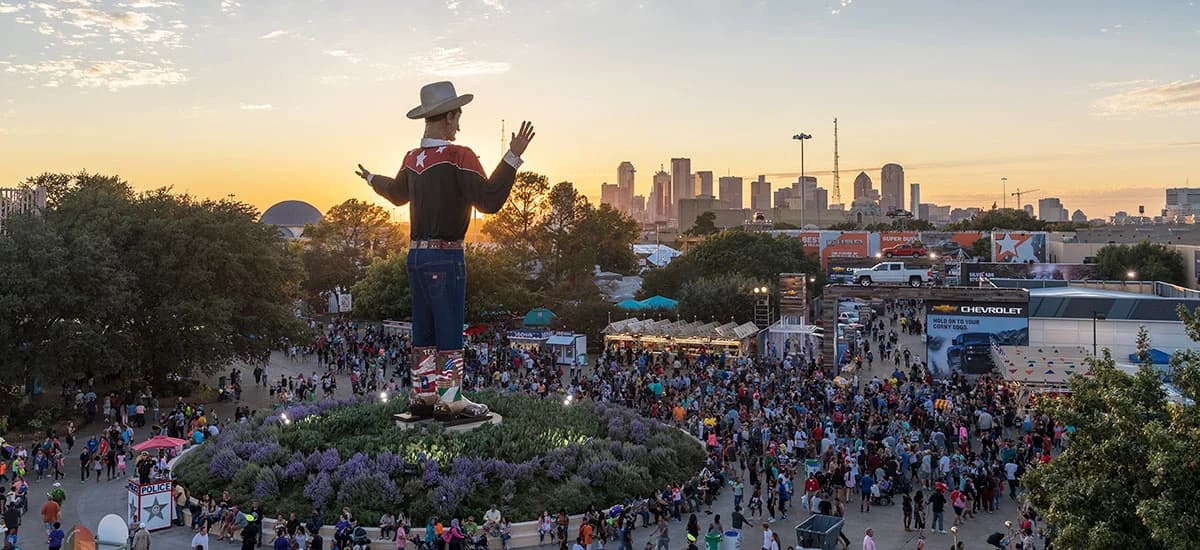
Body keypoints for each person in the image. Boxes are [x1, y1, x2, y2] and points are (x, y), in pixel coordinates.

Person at [359, 80, 535, 419]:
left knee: (423, 328)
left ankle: (423, 395)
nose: (459, 127)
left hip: (415, 257)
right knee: (449, 326)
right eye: (458, 118)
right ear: (449, 116)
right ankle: (451, 399)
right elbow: (489, 200)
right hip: (446, 255)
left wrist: (371, 179)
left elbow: (396, 193)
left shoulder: (412, 159)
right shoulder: (459, 156)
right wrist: (512, 157)